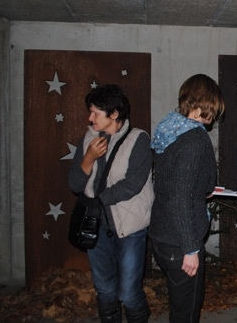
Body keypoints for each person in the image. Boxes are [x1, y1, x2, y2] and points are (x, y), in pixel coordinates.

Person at [68, 84, 154, 323]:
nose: (90, 118)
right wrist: (88, 158)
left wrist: (98, 200)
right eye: (90, 112)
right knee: (105, 290)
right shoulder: (88, 140)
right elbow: (75, 183)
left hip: (129, 226)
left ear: (114, 114)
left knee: (128, 293)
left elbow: (133, 184)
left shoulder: (138, 139)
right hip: (96, 226)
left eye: (96, 113)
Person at [148, 74, 225, 323]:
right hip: (181, 242)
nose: (215, 114)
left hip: (162, 234)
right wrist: (190, 249)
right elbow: (181, 198)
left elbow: (174, 186)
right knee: (186, 313)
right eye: (215, 106)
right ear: (208, 102)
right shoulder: (195, 139)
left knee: (180, 308)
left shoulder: (169, 131)